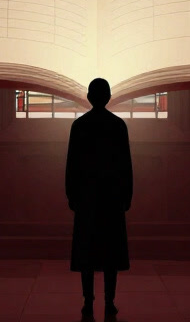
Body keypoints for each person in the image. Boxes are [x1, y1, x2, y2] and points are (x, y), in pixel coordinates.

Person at [65, 79, 132, 320]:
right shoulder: (118, 125)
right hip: (112, 197)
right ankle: (109, 301)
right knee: (111, 253)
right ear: (109, 96)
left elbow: (71, 165)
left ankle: (87, 301)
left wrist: (71, 194)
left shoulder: (79, 125)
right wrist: (127, 195)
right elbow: (126, 165)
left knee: (87, 253)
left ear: (88, 97)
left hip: (87, 197)